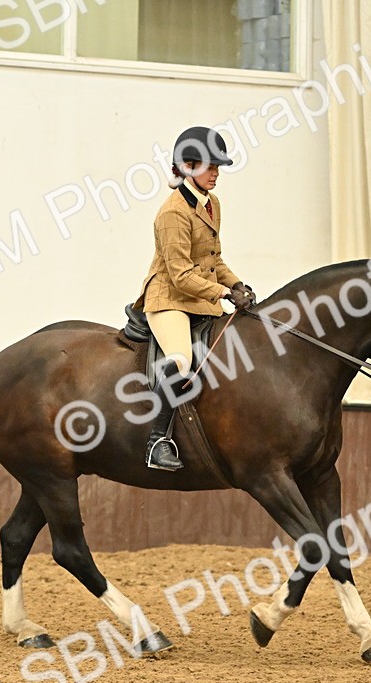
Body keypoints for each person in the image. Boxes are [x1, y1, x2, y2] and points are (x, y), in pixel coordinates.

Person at [133, 126, 256, 471]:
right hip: (169, 299)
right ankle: (157, 441)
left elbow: (214, 260)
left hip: (199, 298)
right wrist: (223, 292)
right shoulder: (173, 212)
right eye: (209, 167)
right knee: (181, 360)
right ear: (187, 167)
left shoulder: (212, 203)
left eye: (217, 167)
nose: (216, 174)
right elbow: (181, 275)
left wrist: (238, 284)